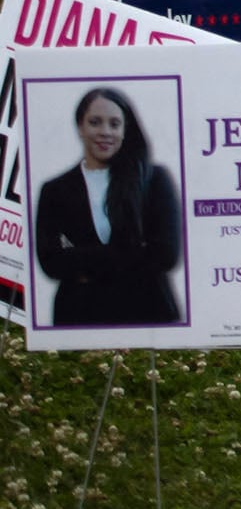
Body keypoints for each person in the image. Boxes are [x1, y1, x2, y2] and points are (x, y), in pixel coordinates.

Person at [31, 85, 182, 329]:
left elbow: (166, 254)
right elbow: (51, 262)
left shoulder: (154, 180)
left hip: (148, 315)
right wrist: (134, 254)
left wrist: (82, 262)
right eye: (95, 122)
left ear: (125, 130)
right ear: (80, 126)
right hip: (80, 317)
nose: (105, 132)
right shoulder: (54, 190)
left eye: (114, 124)